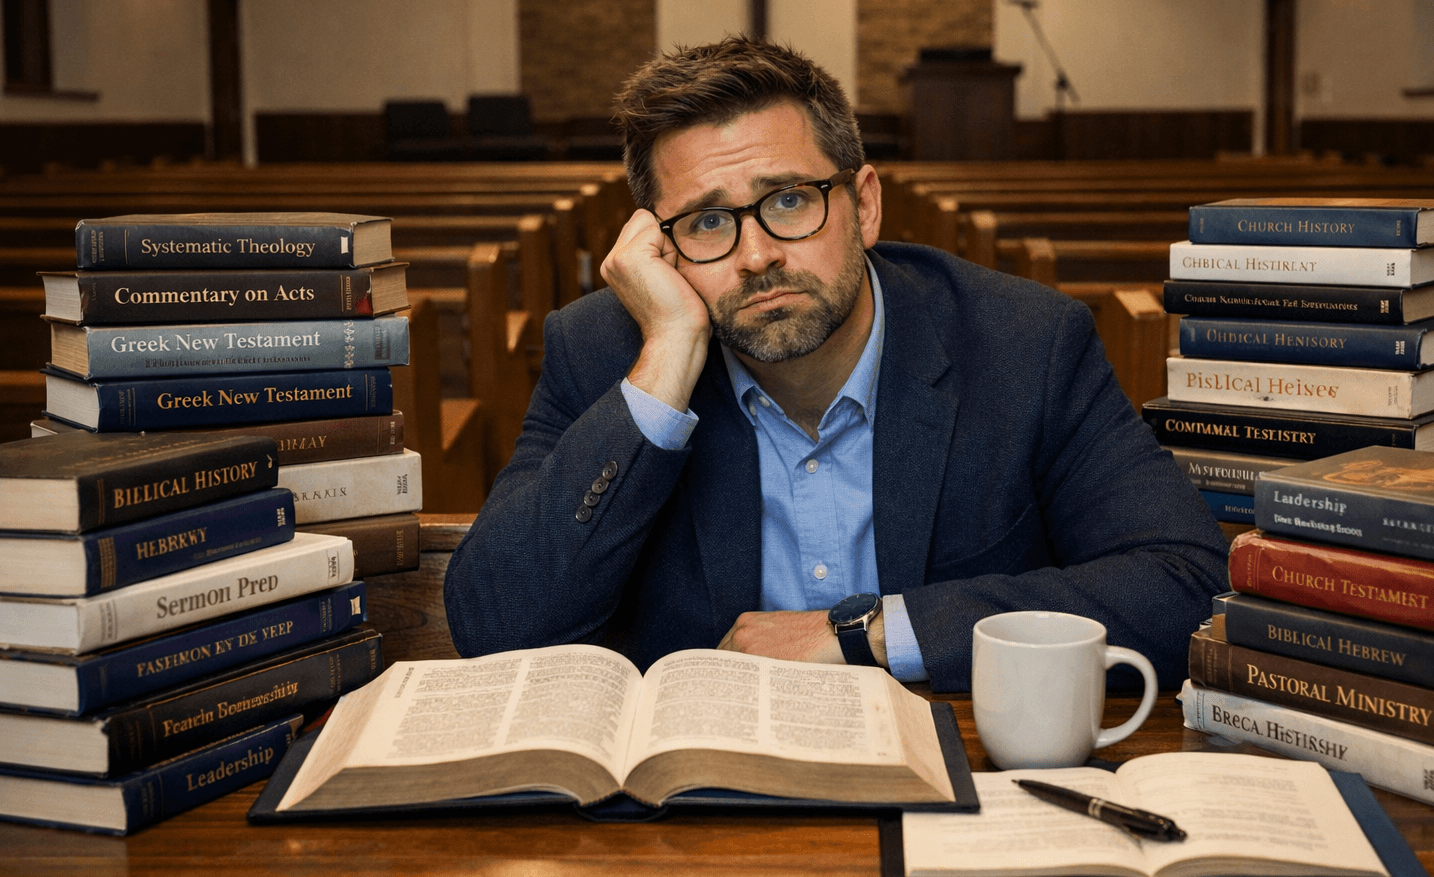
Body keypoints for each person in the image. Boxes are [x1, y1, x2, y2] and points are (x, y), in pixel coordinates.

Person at [444, 36, 1229, 692]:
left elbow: (1187, 587)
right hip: (695, 816)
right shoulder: (610, 351)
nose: (756, 257)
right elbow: (496, 630)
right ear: (659, 244)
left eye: (789, 200)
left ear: (866, 204)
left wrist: (867, 633)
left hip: (953, 781)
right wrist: (669, 359)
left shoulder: (1025, 343)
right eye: (708, 222)